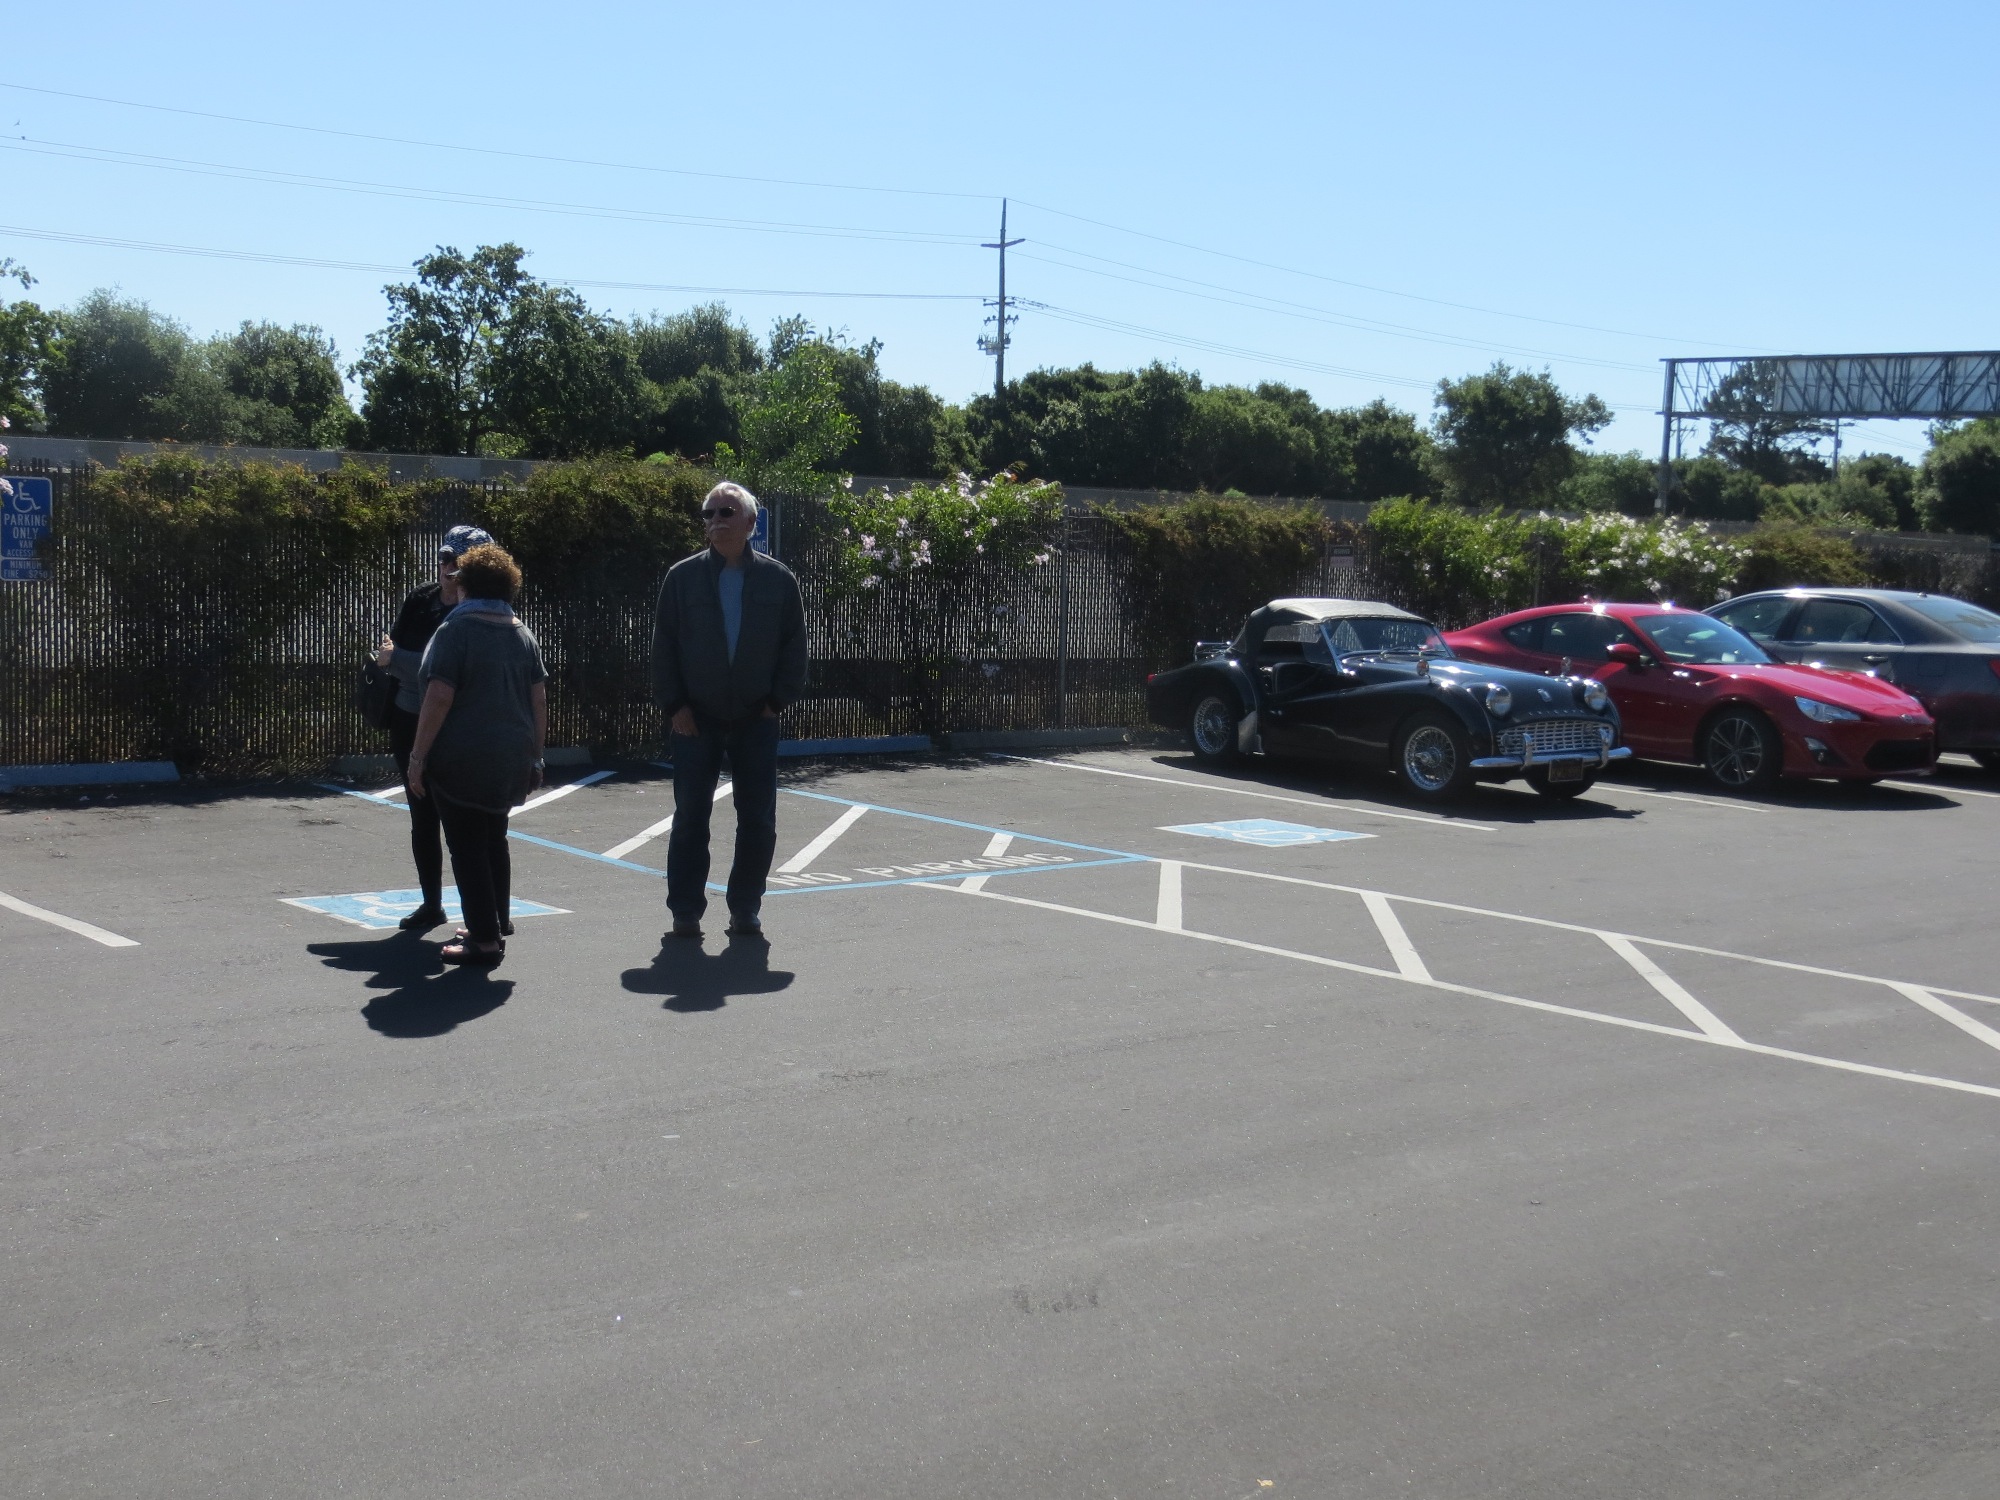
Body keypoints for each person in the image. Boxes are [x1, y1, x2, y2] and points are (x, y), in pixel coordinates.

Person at [650, 481, 807, 940]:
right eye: (709, 513)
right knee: (690, 818)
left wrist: (776, 702)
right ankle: (685, 911)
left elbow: (794, 648)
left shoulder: (779, 580)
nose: (716, 520)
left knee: (757, 820)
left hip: (756, 719)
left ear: (750, 523)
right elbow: (663, 647)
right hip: (695, 720)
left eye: (726, 512)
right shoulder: (682, 577)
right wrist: (675, 705)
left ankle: (745, 908)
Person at [405, 543, 548, 967]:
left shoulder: (455, 630)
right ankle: (493, 921)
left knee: (466, 846)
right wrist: (536, 757)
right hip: (511, 756)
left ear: (466, 585)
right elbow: (539, 700)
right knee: (492, 839)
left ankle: (484, 940)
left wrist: (417, 757)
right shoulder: (522, 633)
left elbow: (438, 696)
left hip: (462, 756)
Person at [376, 524, 494, 931]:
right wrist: (402, 661)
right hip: (408, 717)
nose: (447, 567)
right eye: (444, 558)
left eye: (457, 561)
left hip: (456, 725)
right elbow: (392, 651)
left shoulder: (477, 610)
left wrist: (399, 661)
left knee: (467, 823)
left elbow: (433, 673)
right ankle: (432, 903)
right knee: (421, 816)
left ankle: (488, 917)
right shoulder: (421, 598)